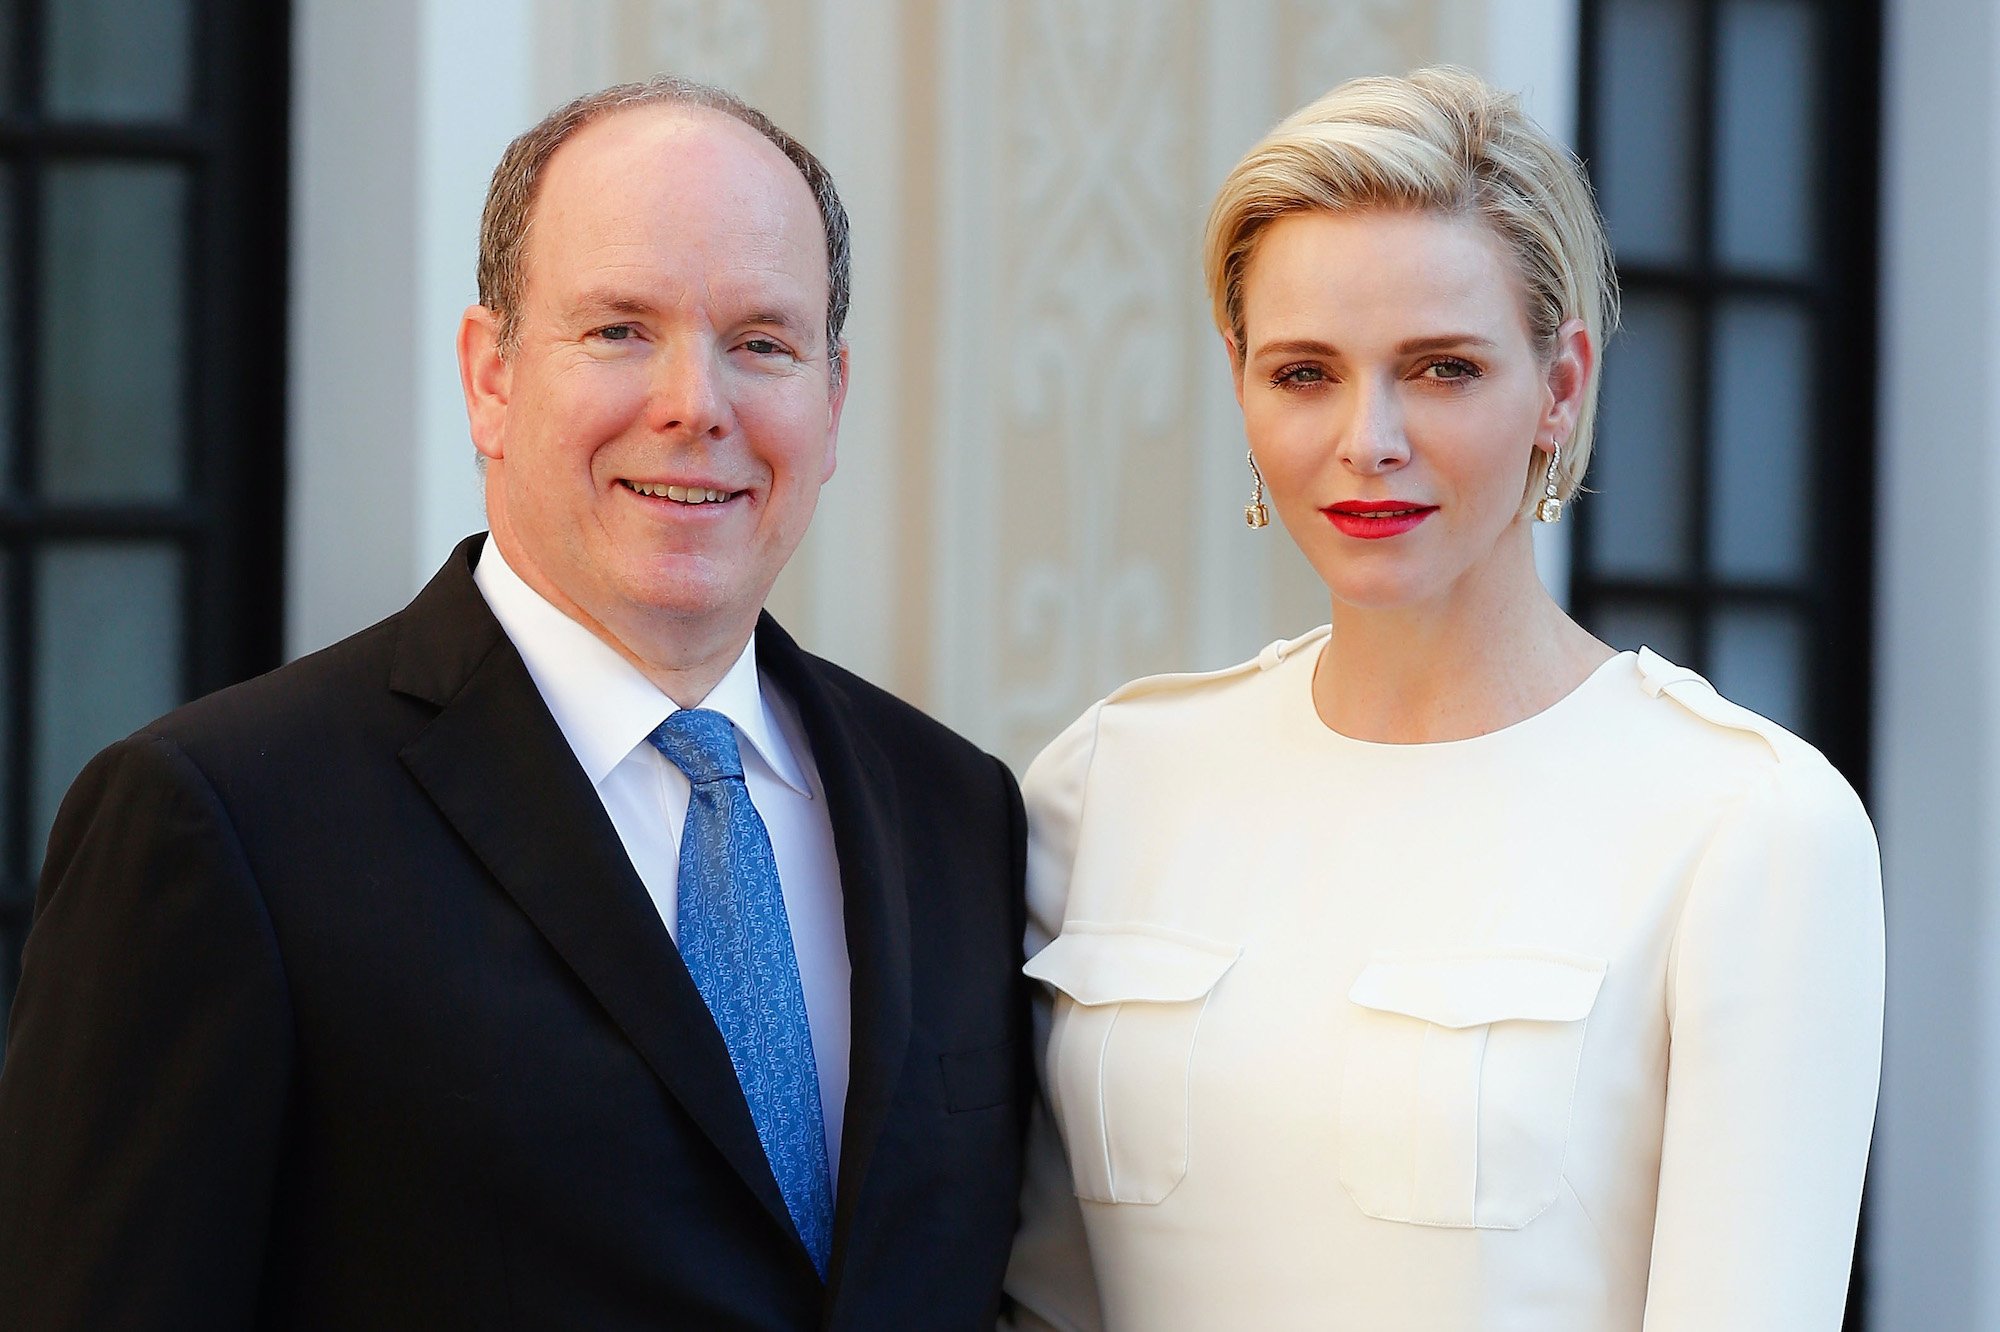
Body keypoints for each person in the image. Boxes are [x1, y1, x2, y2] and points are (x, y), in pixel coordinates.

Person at [0, 78, 1030, 1329]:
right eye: (618, 331)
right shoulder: (225, 824)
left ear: (831, 395)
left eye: (761, 342)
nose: (694, 405)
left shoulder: (956, 812)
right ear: (491, 378)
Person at [1002, 66, 1883, 1331]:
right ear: (1241, 384)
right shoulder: (1107, 784)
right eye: (1304, 373)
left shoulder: (1746, 829)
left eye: (1440, 369)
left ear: (1560, 385)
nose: (1368, 438)